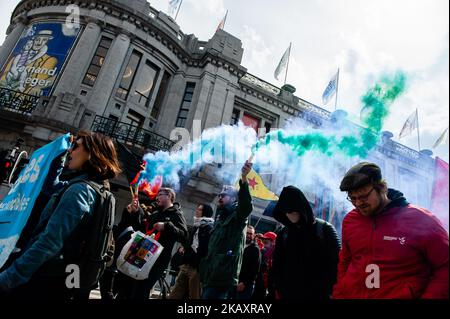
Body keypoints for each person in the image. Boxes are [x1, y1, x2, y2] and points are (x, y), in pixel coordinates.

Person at [0, 131, 121, 299]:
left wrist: (9, 278)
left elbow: (49, 242)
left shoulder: (80, 190)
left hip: (46, 278)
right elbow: (51, 187)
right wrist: (59, 156)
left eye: (76, 147)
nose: (71, 151)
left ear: (92, 153)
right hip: (60, 276)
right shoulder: (91, 186)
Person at [333, 162, 449, 299]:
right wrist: (340, 294)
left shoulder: (422, 220)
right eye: (353, 198)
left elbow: (445, 267)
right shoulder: (350, 221)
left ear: (382, 188)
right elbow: (345, 262)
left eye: (364, 196)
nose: (358, 203)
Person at [115, 187, 188, 299]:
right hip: (140, 255)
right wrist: (135, 212)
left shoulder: (176, 214)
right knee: (127, 287)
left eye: (160, 194)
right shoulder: (155, 213)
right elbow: (140, 229)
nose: (157, 197)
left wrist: (166, 226)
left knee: (141, 290)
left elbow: (184, 236)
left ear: (169, 196)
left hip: (157, 260)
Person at [271, 185, 341, 299]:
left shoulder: (325, 229)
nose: (289, 215)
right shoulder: (283, 233)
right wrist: (278, 288)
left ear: (300, 208)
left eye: (292, 210)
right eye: (286, 211)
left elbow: (338, 265)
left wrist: (330, 292)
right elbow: (277, 266)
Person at [200, 160, 253, 299]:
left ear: (234, 199)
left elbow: (246, 206)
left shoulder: (238, 216)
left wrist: (244, 178)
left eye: (223, 195)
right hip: (210, 273)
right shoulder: (221, 217)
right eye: (219, 195)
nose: (220, 197)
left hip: (223, 275)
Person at [169, 204, 214, 299]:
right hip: (186, 264)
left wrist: (200, 266)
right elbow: (189, 242)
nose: (197, 211)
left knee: (194, 295)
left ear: (205, 212)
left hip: (197, 268)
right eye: (197, 209)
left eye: (200, 210)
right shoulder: (195, 225)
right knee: (175, 292)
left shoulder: (209, 229)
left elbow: (207, 249)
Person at [236, 225, 261, 299]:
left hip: (245, 286)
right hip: (235, 282)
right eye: (247, 233)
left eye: (251, 234)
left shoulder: (255, 249)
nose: (248, 235)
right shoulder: (239, 245)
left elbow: (255, 269)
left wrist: (244, 283)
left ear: (254, 236)